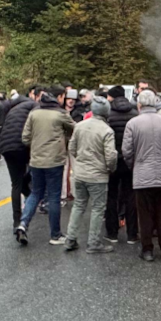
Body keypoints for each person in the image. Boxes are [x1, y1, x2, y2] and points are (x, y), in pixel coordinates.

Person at [123, 89, 161, 261]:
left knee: (145, 214)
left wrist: (134, 165)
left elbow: (127, 151)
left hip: (142, 176)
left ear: (139, 104)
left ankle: (147, 250)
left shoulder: (133, 124)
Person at [17, 90, 76, 246]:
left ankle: (23, 224)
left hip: (36, 160)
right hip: (55, 161)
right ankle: (55, 235)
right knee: (54, 196)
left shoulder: (33, 114)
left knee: (36, 193)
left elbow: (25, 138)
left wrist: (37, 145)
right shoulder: (61, 114)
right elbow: (75, 130)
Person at [64, 96, 118, 253]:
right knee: (98, 208)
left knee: (79, 205)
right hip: (98, 175)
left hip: (80, 173)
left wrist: (80, 160)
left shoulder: (80, 126)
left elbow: (72, 148)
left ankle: (70, 239)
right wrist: (110, 168)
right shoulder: (107, 130)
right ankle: (93, 242)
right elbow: (111, 156)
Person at [104, 86, 139, 245]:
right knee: (131, 195)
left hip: (112, 158)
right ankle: (132, 234)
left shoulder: (108, 114)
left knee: (111, 195)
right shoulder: (135, 113)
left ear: (111, 97)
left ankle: (112, 233)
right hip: (130, 159)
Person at [0, 88, 36, 229]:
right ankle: (32, 198)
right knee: (32, 171)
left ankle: (16, 220)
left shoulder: (11, 109)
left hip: (5, 146)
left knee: (16, 184)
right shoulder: (32, 105)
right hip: (22, 145)